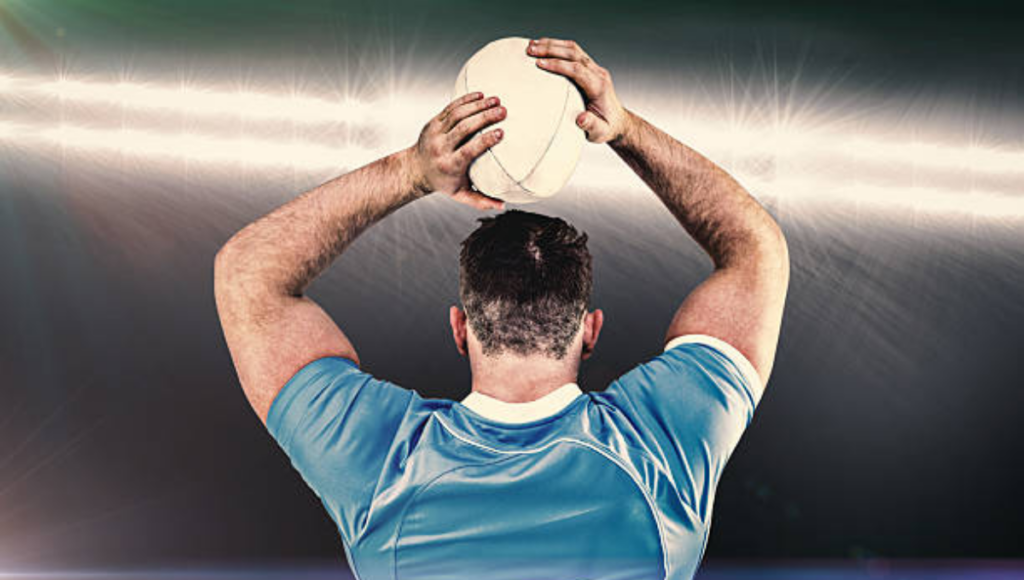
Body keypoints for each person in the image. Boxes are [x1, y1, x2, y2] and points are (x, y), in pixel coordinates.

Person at [214, 37, 789, 580]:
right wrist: (625, 130)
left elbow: (247, 274)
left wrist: (414, 170)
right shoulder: (660, 449)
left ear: (460, 329)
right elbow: (757, 252)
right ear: (590, 332)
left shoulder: (379, 465)